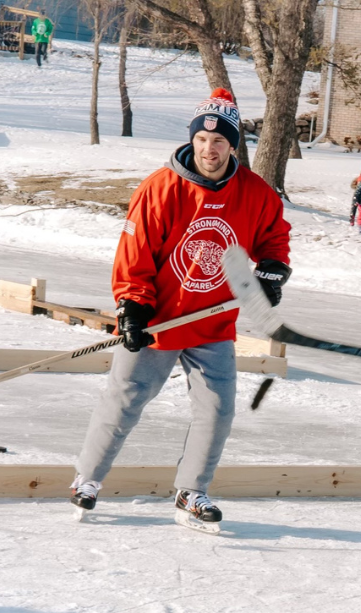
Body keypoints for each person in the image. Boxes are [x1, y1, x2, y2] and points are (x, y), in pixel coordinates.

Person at [70, 88, 291, 532]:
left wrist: (271, 269)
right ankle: (88, 480)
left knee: (218, 408)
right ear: (193, 140)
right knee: (126, 397)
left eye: (220, 142)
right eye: (203, 141)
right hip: (159, 319)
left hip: (211, 322)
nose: (210, 150)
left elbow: (274, 236)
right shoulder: (161, 188)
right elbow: (135, 254)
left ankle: (192, 491)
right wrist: (131, 307)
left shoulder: (254, 193)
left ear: (233, 146)